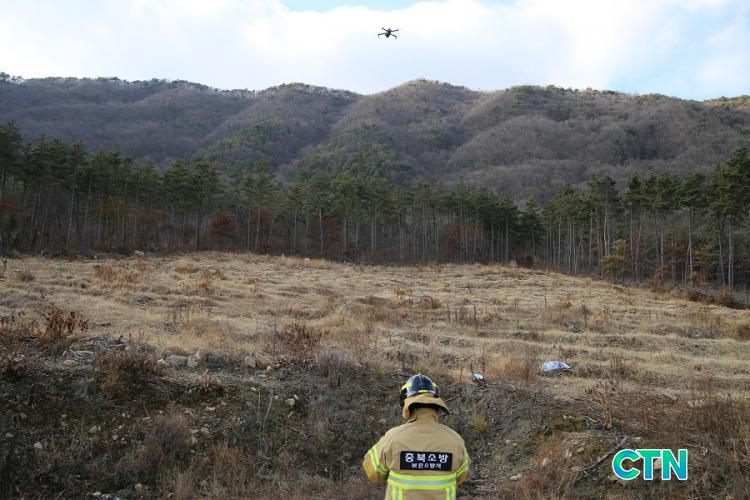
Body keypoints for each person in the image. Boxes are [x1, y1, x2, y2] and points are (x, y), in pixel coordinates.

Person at [363, 374, 470, 500]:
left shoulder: (393, 438)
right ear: (436, 405)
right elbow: (462, 476)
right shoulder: (455, 440)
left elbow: (373, 473)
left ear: (406, 404)